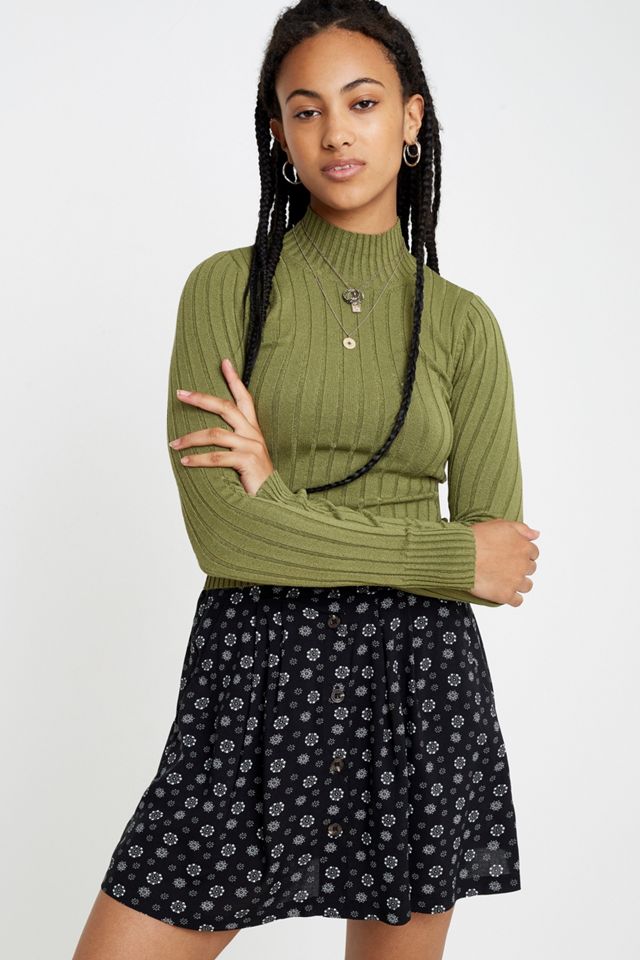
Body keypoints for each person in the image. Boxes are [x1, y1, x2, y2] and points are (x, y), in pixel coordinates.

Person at [72, 2, 540, 958]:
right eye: (305, 109)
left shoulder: (463, 323)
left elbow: (500, 560)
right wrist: (440, 553)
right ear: (279, 134)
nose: (335, 133)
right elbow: (227, 533)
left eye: (362, 103)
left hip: (416, 680)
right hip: (253, 669)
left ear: (411, 118)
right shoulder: (226, 289)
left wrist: (279, 501)